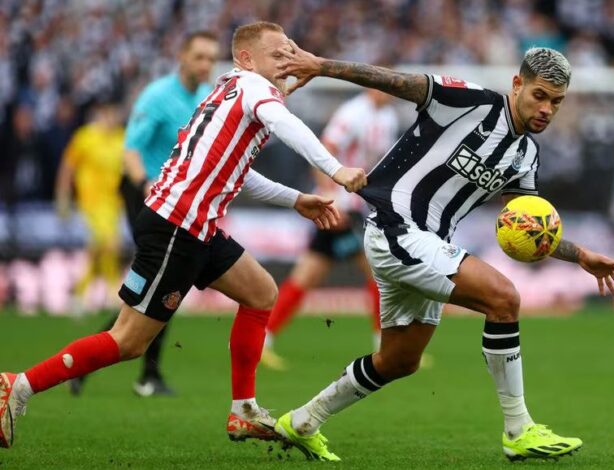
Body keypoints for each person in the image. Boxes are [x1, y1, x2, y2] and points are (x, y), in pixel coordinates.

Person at [0, 21, 367, 449]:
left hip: (194, 225)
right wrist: (335, 170)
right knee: (128, 341)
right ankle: (17, 386)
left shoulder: (228, 89)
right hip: (177, 226)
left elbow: (238, 174)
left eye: (291, 51)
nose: (288, 61)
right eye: (278, 54)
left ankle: (244, 410)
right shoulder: (253, 89)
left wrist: (296, 199)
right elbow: (287, 125)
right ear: (246, 59)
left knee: (261, 292)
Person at [270, 45, 614, 462]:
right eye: (539, 95)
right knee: (504, 297)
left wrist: (580, 255)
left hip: (429, 243)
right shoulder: (467, 101)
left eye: (556, 101)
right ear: (517, 84)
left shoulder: (525, 155)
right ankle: (518, 428)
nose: (547, 109)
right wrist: (322, 65)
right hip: (396, 227)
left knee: (399, 360)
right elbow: (393, 80)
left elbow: (529, 226)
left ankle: (301, 421)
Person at [69, 30, 220, 398]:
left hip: (175, 199)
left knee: (159, 286)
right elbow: (132, 149)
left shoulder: (203, 96)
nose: (206, 64)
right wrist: (146, 185)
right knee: (164, 283)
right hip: (145, 194)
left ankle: (88, 360)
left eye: (210, 58)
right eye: (199, 56)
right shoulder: (157, 96)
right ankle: (144, 374)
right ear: (182, 55)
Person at [262, 88, 398, 370]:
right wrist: (330, 198)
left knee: (306, 276)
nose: (391, 94)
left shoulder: (387, 117)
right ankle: (386, 347)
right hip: (340, 206)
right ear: (373, 88)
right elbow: (324, 152)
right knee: (379, 272)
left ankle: (262, 339)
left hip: (357, 207)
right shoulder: (352, 113)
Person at [55, 101, 125, 312]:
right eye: (107, 115)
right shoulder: (85, 137)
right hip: (91, 202)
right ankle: (113, 293)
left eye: (114, 115)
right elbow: (68, 166)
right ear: (99, 115)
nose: (111, 119)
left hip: (113, 202)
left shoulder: (121, 138)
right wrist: (62, 195)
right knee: (110, 243)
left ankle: (78, 294)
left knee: (98, 248)